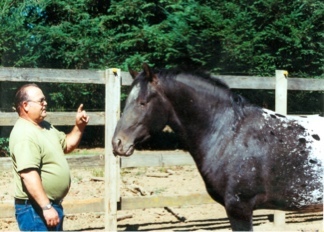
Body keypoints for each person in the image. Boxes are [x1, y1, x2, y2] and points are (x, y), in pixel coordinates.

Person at [9, 83, 90, 231]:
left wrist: (79, 127)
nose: (45, 103)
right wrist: (46, 207)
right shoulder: (24, 134)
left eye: (44, 100)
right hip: (35, 209)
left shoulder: (45, 126)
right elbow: (28, 175)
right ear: (25, 105)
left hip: (47, 206)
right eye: (41, 101)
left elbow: (67, 144)